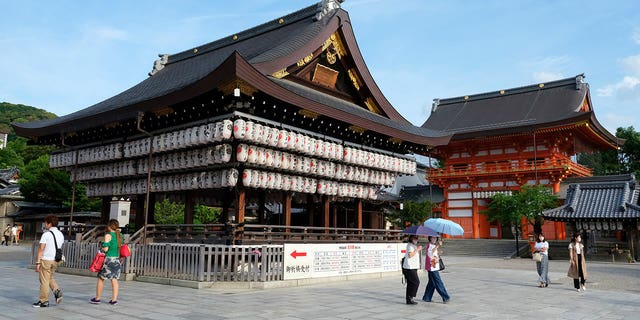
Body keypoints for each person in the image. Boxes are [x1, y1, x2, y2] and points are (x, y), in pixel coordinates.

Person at [33, 215, 64, 308]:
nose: (45, 225)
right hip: (56, 260)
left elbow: (41, 249)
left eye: (46, 223)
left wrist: (38, 263)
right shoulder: (60, 234)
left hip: (46, 260)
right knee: (49, 277)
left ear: (49, 223)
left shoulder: (46, 234)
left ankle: (44, 301)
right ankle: (57, 290)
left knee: (44, 281)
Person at [91, 219, 123, 305]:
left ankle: (97, 298)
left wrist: (102, 244)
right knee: (114, 279)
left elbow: (106, 249)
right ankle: (114, 300)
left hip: (108, 260)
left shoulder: (108, 235)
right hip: (116, 259)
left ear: (109, 226)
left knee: (101, 278)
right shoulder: (120, 235)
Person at [422, 236, 450, 303]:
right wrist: (438, 245)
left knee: (432, 283)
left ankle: (427, 297)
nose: (434, 239)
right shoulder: (429, 245)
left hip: (434, 266)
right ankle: (445, 297)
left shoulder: (433, 245)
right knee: (438, 282)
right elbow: (430, 253)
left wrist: (438, 254)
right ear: (430, 238)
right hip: (432, 267)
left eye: (435, 238)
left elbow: (434, 255)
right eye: (433, 238)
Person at [402, 235, 422, 305]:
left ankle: (409, 299)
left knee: (410, 283)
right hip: (409, 267)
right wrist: (417, 250)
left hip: (413, 267)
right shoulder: (409, 245)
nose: (416, 239)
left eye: (417, 238)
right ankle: (411, 296)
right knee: (416, 282)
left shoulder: (413, 245)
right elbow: (410, 255)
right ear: (411, 238)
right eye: (415, 238)